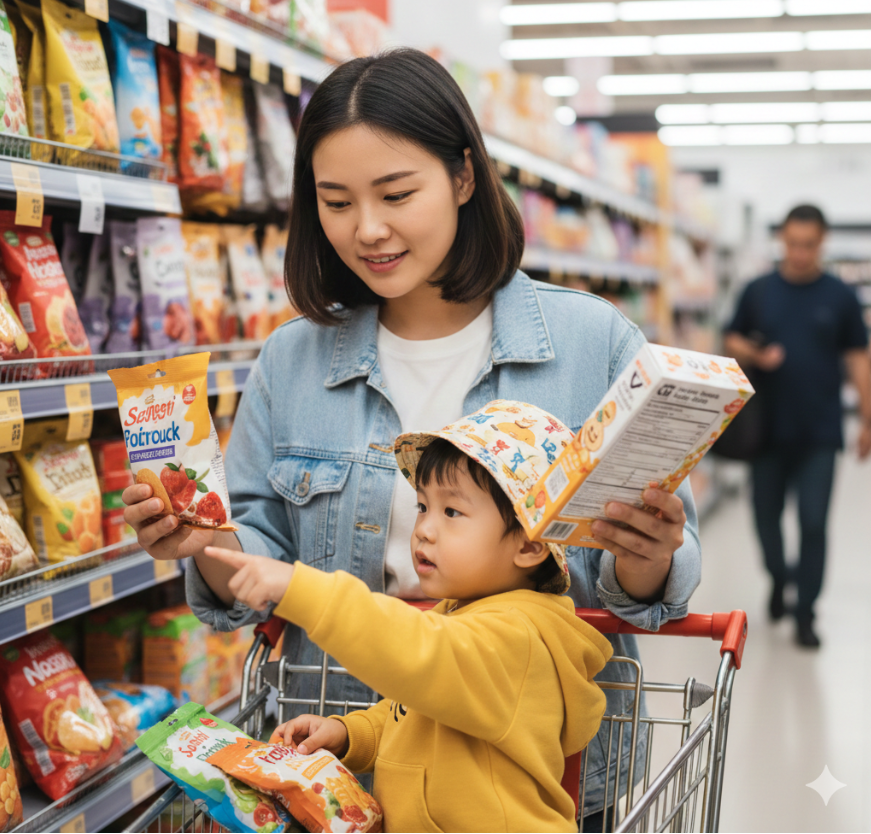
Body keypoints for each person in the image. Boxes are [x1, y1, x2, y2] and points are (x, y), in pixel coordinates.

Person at [122, 48, 701, 825]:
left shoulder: (589, 343)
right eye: (334, 201)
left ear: (464, 177)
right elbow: (252, 552)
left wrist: (644, 559)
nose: (367, 230)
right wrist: (204, 541)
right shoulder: (292, 361)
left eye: (397, 193)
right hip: (340, 764)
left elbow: (639, 590)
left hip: (525, 781)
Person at [206, 403, 615, 832]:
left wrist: (301, 590)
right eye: (423, 506)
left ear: (530, 545)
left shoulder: (519, 638)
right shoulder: (464, 614)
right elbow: (413, 714)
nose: (423, 528)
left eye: (451, 512)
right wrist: (351, 733)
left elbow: (418, 653)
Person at [724, 204, 871, 648]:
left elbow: (858, 357)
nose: (800, 253)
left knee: (813, 523)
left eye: (809, 245)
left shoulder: (840, 297)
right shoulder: (759, 291)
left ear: (821, 243)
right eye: (792, 243)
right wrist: (753, 352)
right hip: (766, 431)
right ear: (782, 240)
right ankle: (778, 577)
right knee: (765, 520)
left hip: (820, 433)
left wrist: (867, 418)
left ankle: (806, 612)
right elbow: (731, 337)